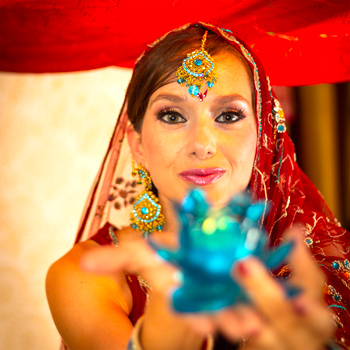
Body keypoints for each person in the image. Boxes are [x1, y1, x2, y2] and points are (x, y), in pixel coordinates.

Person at [46, 23, 350, 350]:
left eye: (229, 115)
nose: (202, 145)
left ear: (263, 137)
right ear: (137, 145)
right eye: (173, 116)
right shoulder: (89, 275)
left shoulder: (319, 265)